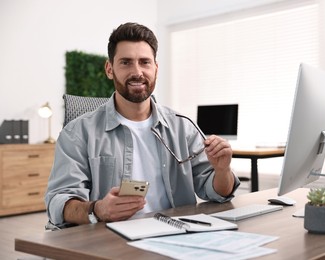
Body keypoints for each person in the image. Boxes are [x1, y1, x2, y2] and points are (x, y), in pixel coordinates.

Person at [45, 22, 240, 227]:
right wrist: (98, 209)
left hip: (175, 235)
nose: (137, 72)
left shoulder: (183, 127)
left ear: (156, 68)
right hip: (110, 241)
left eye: (145, 62)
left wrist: (222, 170)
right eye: (126, 62)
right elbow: (58, 203)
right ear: (109, 69)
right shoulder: (77, 133)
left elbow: (217, 192)